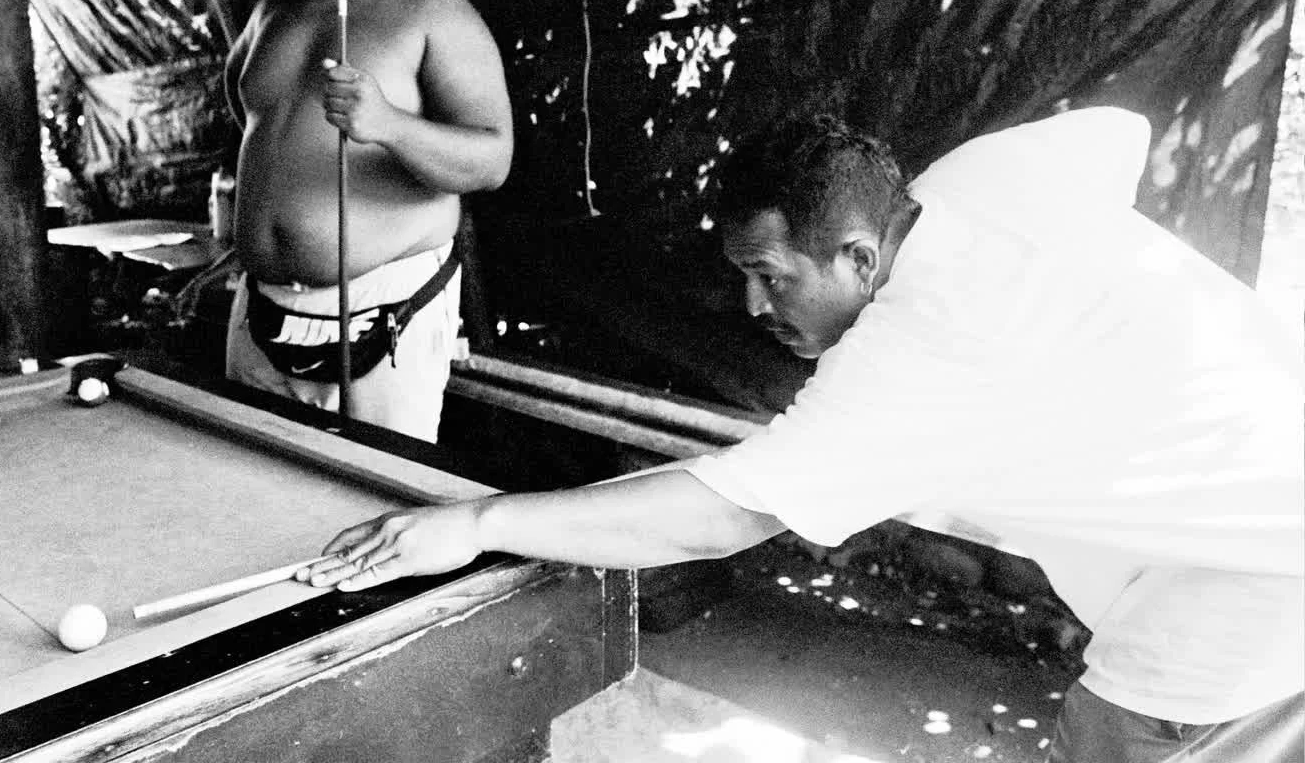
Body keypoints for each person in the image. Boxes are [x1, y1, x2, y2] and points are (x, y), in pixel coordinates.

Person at [299, 107, 1304, 762]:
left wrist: (480, 522)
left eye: (773, 277)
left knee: (1115, 738)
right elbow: (1117, 133)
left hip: (1259, 577)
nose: (749, 306)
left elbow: (709, 523)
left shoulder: (920, 349)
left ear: (863, 256)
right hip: (1268, 477)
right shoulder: (977, 185)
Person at [208, 0, 512, 441]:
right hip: (264, 304)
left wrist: (391, 127)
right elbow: (249, 114)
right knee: (249, 497)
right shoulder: (273, 7)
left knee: (370, 508)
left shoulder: (431, 8)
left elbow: (493, 159)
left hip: (385, 312)